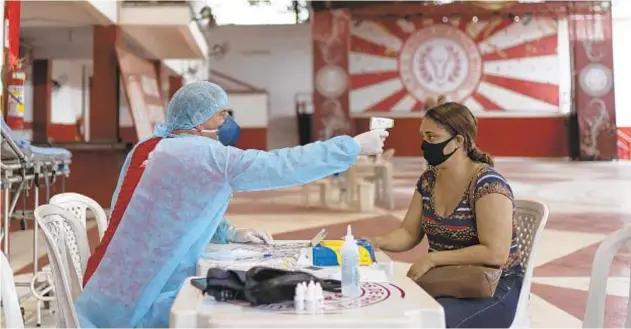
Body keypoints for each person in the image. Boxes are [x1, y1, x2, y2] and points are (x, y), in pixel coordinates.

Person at [75, 81, 389, 328]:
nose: (228, 120)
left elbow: (170, 210)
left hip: (105, 284)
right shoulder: (205, 155)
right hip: (140, 302)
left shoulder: (149, 147)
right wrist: (352, 146)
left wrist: (228, 233)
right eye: (221, 113)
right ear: (197, 118)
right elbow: (282, 164)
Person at [368, 102, 522, 328]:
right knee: (390, 315)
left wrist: (433, 258)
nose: (424, 145)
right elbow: (408, 233)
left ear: (458, 142)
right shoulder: (428, 180)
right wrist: (373, 242)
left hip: (492, 287)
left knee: (430, 323)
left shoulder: (488, 183)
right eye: (423, 136)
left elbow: (495, 253)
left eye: (432, 137)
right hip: (446, 282)